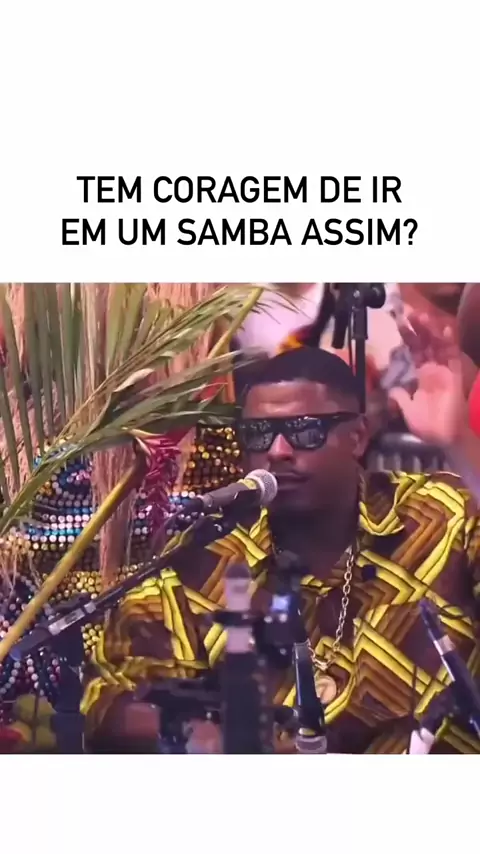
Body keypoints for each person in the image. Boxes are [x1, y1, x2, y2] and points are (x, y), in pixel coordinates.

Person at [81, 314, 480, 754]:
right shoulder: (205, 559)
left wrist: (458, 442)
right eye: (259, 434)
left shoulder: (440, 515)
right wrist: (198, 735)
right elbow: (107, 697)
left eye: (304, 431)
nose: (277, 451)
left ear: (357, 437)